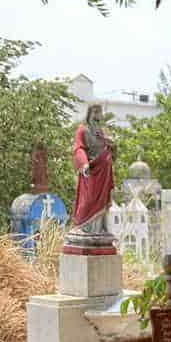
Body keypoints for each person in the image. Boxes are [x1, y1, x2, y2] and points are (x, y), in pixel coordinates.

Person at [70, 103, 115, 240]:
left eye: (99, 113)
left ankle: (99, 228)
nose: (97, 116)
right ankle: (83, 227)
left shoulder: (102, 132)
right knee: (88, 200)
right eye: (94, 112)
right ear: (89, 114)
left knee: (102, 200)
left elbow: (111, 149)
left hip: (104, 170)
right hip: (90, 169)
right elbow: (79, 149)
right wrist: (83, 164)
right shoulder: (82, 130)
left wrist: (111, 143)